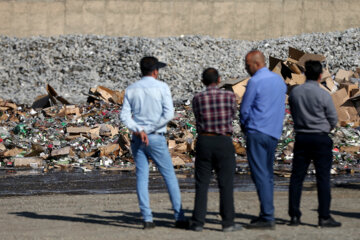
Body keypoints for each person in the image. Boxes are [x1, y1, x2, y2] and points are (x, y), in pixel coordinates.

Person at [120, 56, 187, 230]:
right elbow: (168, 114)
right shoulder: (162, 87)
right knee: (169, 176)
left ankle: (147, 218)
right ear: (156, 71)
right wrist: (149, 129)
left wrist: (139, 129)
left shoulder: (131, 89)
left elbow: (124, 116)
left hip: (138, 138)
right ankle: (179, 216)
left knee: (142, 177)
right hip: (156, 136)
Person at [288, 60, 341, 228]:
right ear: (320, 76)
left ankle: (294, 216)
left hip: (302, 138)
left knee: (297, 178)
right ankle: (323, 217)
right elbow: (333, 118)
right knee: (323, 178)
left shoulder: (295, 93)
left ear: (305, 74)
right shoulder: (323, 94)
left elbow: (293, 112)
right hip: (320, 138)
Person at [190, 68, 242, 232]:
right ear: (219, 80)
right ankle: (227, 222)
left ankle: (198, 221)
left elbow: (197, 118)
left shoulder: (197, 98)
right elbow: (232, 115)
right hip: (223, 140)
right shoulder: (229, 96)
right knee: (225, 183)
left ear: (203, 81)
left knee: (202, 183)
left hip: (204, 140)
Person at [239, 50, 286, 229]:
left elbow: (245, 109)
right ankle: (266, 212)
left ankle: (267, 216)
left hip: (257, 132)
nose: (246, 68)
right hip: (273, 133)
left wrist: (245, 127)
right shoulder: (279, 81)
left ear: (256, 64)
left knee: (260, 174)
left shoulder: (256, 81)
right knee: (267, 174)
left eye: (247, 65)